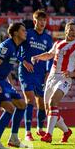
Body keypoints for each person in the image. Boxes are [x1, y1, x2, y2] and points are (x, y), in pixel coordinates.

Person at [31, 22, 75, 143]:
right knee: (49, 110)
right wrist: (37, 57)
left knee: (53, 102)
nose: (73, 32)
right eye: (71, 29)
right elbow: (49, 55)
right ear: (66, 31)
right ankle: (66, 131)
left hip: (64, 78)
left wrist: (71, 74)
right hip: (51, 78)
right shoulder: (57, 44)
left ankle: (49, 135)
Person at [0, 22, 28, 149]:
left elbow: (7, 66)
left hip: (3, 81)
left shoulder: (17, 47)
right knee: (9, 109)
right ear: (15, 33)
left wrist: (9, 82)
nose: (25, 32)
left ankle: (14, 139)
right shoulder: (6, 45)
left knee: (22, 105)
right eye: (23, 30)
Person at [18, 10, 53, 141]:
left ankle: (39, 128)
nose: (43, 23)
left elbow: (50, 57)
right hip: (26, 73)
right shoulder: (27, 34)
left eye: (45, 20)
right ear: (35, 21)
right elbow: (16, 50)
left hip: (41, 74)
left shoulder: (48, 38)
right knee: (30, 100)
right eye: (40, 20)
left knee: (42, 104)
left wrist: (48, 72)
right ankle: (27, 132)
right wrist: (24, 62)